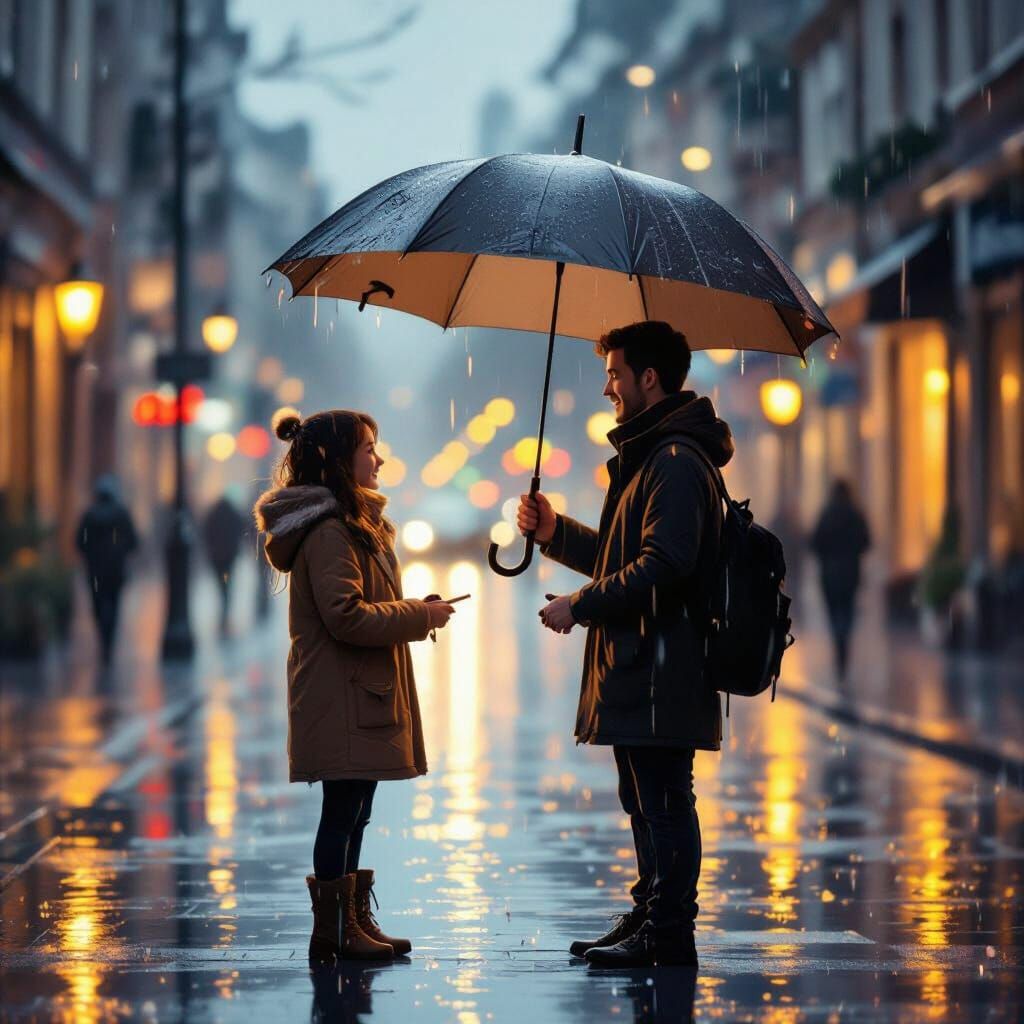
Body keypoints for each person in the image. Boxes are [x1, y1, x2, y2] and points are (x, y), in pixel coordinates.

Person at [518, 320, 734, 969]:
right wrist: (556, 531)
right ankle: (650, 913)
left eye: (615, 373)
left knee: (665, 799)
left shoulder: (673, 460)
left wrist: (577, 606)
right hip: (642, 662)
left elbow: (663, 564)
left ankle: (669, 931)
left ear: (649, 378)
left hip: (663, 664)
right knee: (644, 797)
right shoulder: (650, 456)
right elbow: (621, 557)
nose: (607, 386)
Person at [253, 409, 455, 963]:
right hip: (340, 695)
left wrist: (418, 610)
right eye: (369, 447)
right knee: (342, 811)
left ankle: (352, 920)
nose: (379, 458)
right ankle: (334, 929)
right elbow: (346, 615)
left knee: (356, 809)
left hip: (357, 693)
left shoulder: (351, 524)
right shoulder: (330, 533)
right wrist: (419, 616)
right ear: (341, 460)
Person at [810, 479, 871, 681]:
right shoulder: (855, 515)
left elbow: (814, 543)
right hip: (850, 574)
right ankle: (842, 644)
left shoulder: (826, 515)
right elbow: (866, 542)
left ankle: (839, 644)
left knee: (835, 613)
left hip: (829, 575)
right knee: (846, 612)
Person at [75, 474, 138, 665]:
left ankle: (103, 639)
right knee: (114, 604)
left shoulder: (90, 514)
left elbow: (79, 542)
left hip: (95, 571)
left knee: (97, 605)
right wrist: (121, 551)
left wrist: (90, 555)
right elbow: (134, 541)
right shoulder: (122, 513)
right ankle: (108, 644)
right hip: (115, 569)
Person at [201, 492, 246, 635]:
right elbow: (241, 528)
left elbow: (206, 531)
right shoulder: (232, 513)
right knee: (227, 583)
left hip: (217, 557)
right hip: (229, 556)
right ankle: (225, 609)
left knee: (221, 583)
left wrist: (211, 547)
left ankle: (224, 607)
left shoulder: (213, 514)